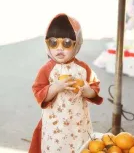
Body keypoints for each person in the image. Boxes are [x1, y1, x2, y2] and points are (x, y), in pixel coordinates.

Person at [29, 13, 103, 153]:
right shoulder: (47, 69)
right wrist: (55, 87)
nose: (60, 48)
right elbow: (38, 92)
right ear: (47, 44)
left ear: (77, 44)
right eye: (53, 42)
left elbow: (94, 88)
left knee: (80, 148)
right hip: (55, 127)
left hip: (78, 124)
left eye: (67, 43)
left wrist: (88, 91)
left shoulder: (83, 69)